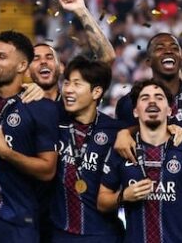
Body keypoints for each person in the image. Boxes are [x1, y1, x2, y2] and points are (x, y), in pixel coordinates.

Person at [0, 30, 59, 242]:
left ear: (22, 66)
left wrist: (6, 153)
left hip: (17, 220)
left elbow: (47, 170)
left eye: (2, 57)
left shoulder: (42, 107)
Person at [97, 79, 182, 242]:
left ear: (169, 110)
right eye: (145, 98)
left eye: (159, 97)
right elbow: (102, 202)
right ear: (135, 111)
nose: (152, 101)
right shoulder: (123, 149)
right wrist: (123, 196)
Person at [50, 56, 124, 242]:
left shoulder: (115, 132)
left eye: (77, 84)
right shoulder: (53, 119)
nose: (68, 89)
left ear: (96, 92)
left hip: (102, 235)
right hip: (59, 233)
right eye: (66, 83)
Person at [28, 0, 115, 101]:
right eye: (36, 58)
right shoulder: (18, 106)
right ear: (27, 71)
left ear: (61, 68)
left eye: (49, 57)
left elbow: (107, 57)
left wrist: (80, 9)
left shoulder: (71, 102)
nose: (43, 62)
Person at [114, 33, 182, 125]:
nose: (169, 51)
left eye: (174, 48)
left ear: (181, 61)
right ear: (149, 62)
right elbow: (122, 136)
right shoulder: (131, 102)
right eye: (160, 48)